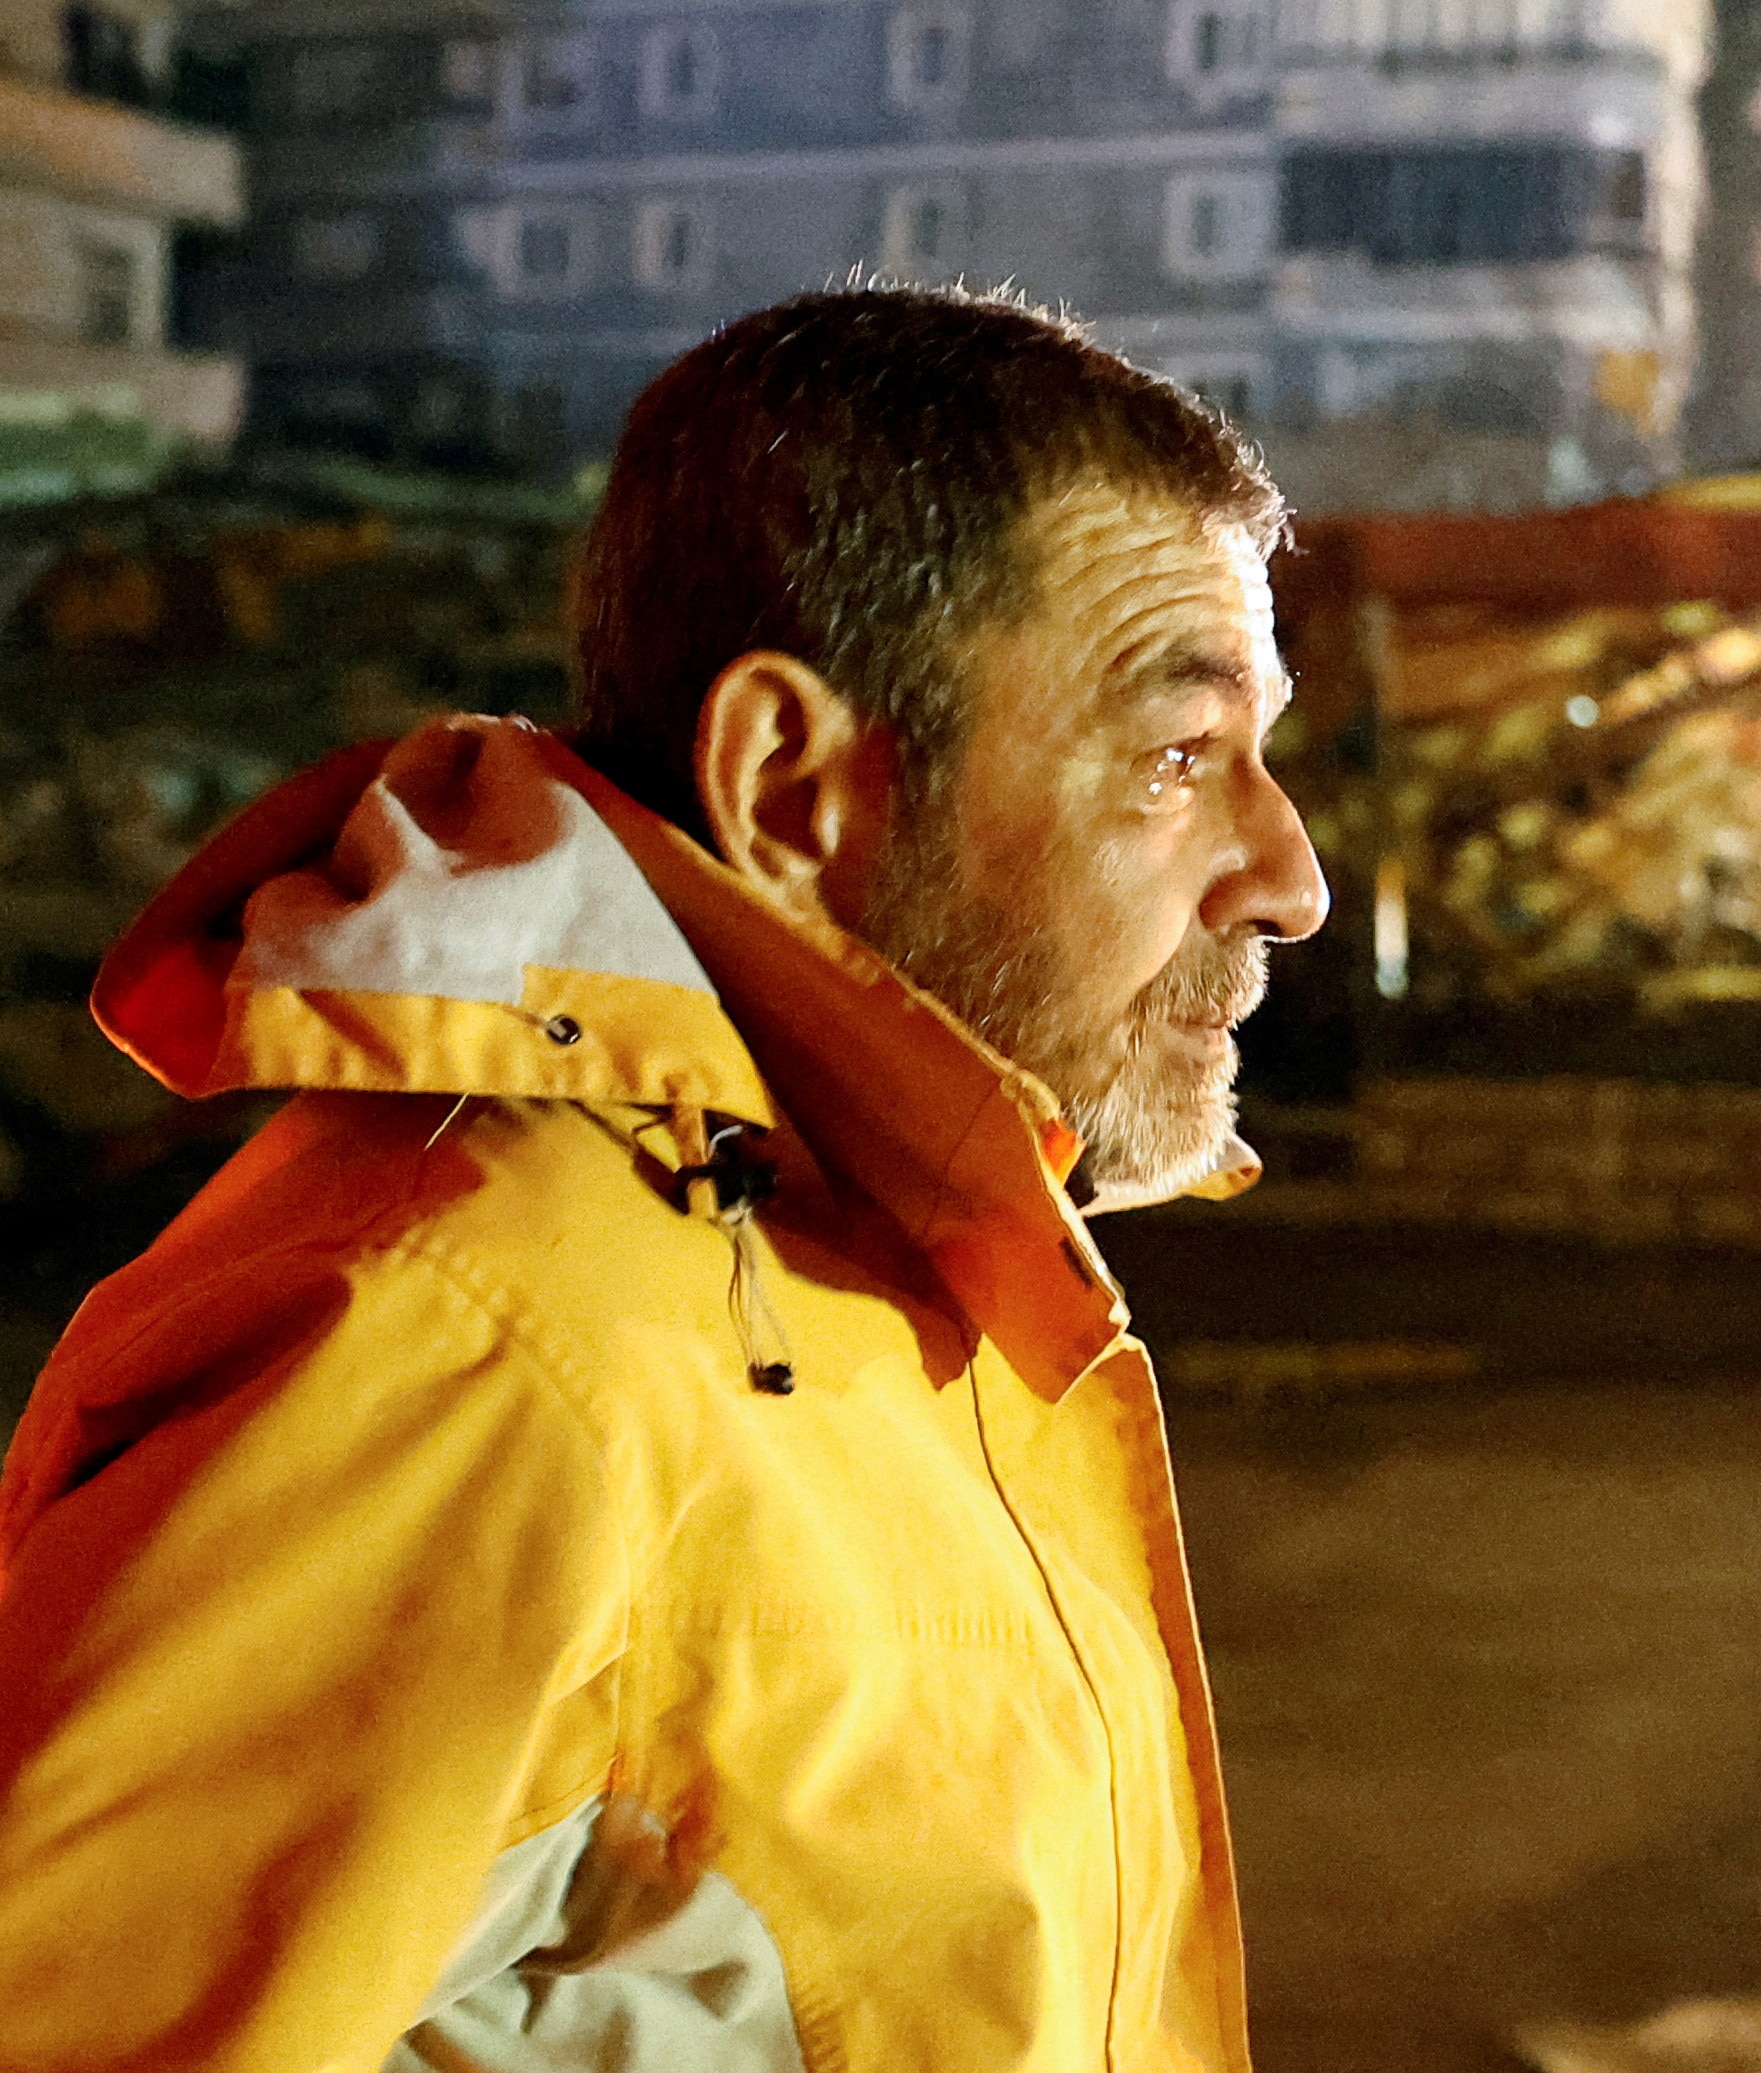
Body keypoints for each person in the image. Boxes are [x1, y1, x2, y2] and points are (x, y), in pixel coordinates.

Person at [0, 286, 1326, 2069]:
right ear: (792, 791)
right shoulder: (463, 1356)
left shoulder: (869, 1262)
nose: (1287, 872)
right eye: (1178, 757)